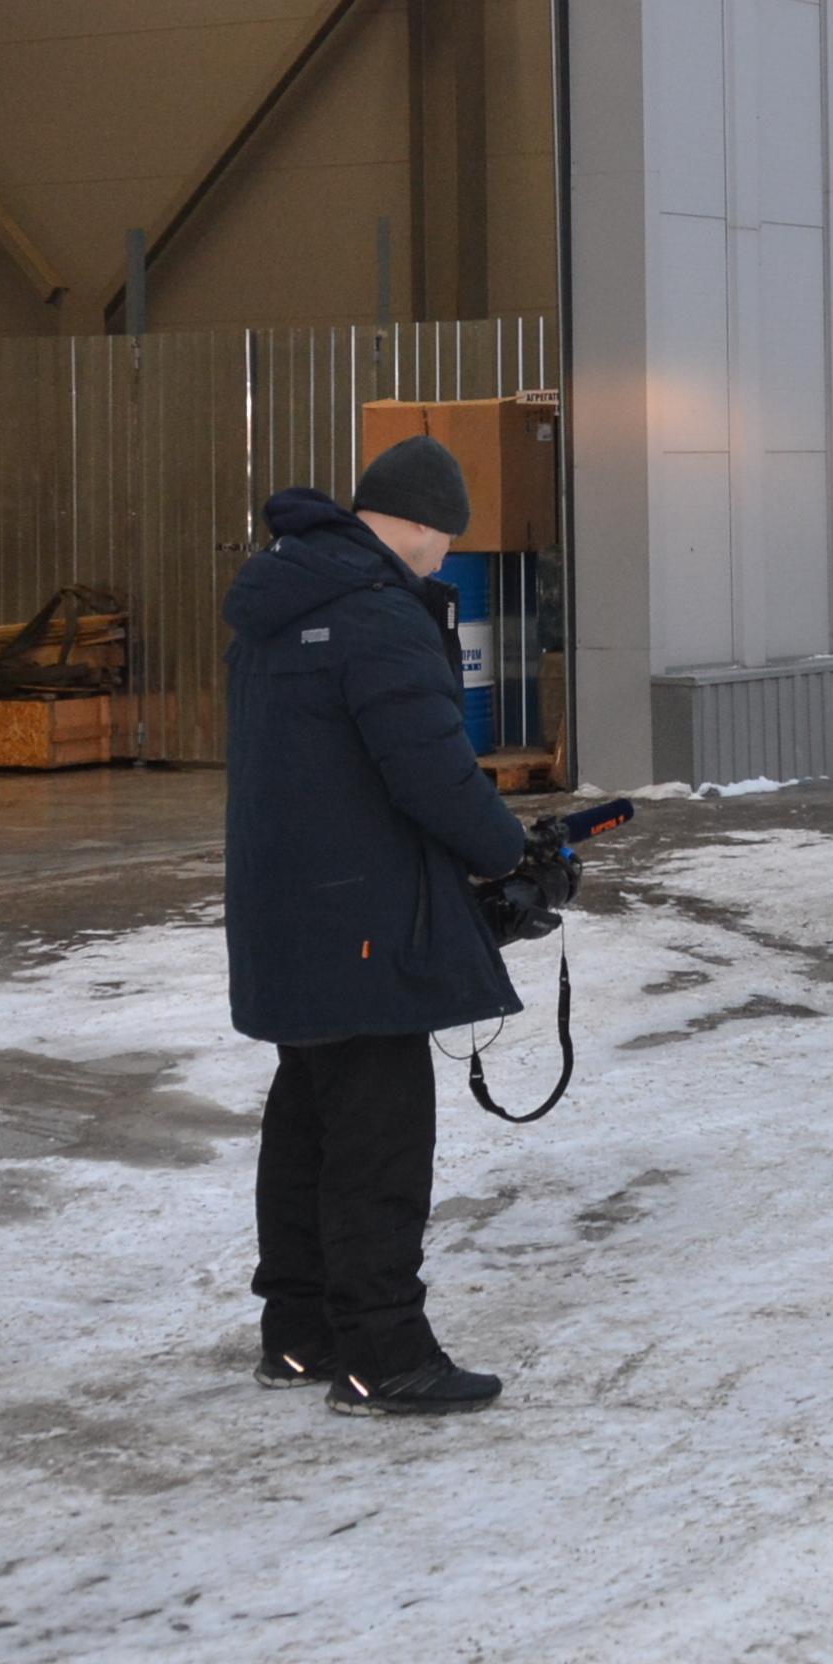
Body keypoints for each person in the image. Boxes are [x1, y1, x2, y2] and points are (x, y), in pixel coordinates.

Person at [222, 432, 542, 1416]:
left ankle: (301, 1334)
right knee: (378, 1144)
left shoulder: (280, 604)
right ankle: (385, 1355)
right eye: (446, 536)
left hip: (288, 913)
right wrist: (512, 856)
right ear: (415, 522)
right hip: (364, 925)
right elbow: (434, 774)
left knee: (310, 1124)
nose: (447, 557)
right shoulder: (377, 617)